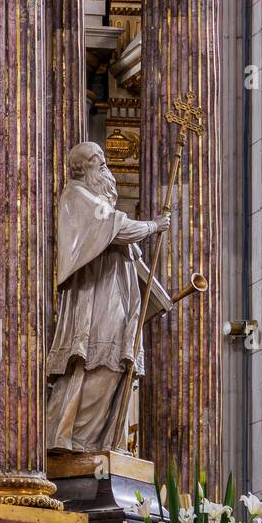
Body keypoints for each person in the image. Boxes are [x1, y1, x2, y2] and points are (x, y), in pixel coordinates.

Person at [46, 141, 170, 453]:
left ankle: (98, 444)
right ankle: (78, 441)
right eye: (98, 163)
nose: (106, 170)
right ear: (82, 168)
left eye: (104, 163)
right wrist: (154, 225)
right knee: (99, 365)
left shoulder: (99, 203)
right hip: (99, 301)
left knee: (115, 366)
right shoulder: (77, 196)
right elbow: (117, 230)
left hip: (117, 300)